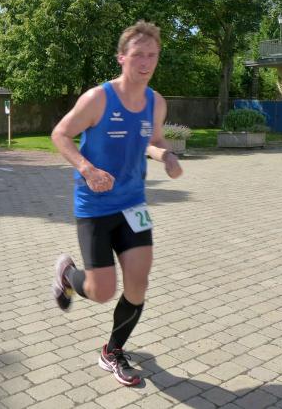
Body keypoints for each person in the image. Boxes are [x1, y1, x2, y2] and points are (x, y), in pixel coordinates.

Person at [51, 21, 183, 387]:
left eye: (152, 55)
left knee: (138, 284)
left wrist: (166, 156)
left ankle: (113, 351)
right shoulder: (98, 99)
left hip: (133, 205)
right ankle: (68, 275)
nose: (145, 62)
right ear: (121, 57)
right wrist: (87, 168)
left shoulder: (156, 102)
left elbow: (153, 140)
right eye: (138, 54)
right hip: (94, 206)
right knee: (102, 291)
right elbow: (60, 134)